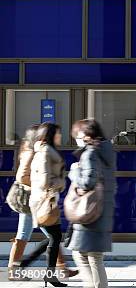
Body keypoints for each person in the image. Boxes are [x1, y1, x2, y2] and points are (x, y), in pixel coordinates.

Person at [66, 119, 117, 288]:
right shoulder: (106, 150)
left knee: (84, 255)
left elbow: (87, 183)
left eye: (78, 135)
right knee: (93, 256)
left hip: (90, 210)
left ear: (86, 135)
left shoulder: (90, 153)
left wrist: (74, 171)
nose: (76, 139)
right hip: (102, 209)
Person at [19, 123, 68, 287]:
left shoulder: (43, 151)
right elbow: (47, 181)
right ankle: (48, 275)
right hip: (45, 201)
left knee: (53, 237)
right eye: (58, 134)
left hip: (44, 200)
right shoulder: (46, 152)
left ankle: (25, 265)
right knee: (55, 237)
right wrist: (61, 182)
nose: (60, 137)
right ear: (51, 135)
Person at [7, 125, 38, 279]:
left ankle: (13, 270)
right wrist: (39, 185)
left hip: (31, 198)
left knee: (24, 233)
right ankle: (61, 267)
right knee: (52, 234)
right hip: (30, 198)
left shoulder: (28, 149)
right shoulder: (31, 151)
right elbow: (23, 176)